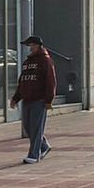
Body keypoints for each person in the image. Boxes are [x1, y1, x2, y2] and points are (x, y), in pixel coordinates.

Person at [11, 35, 55, 164]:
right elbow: (22, 82)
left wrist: (48, 100)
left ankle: (34, 155)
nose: (29, 48)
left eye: (31, 45)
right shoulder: (27, 62)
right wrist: (16, 98)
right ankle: (44, 146)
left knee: (36, 128)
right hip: (27, 99)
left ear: (37, 45)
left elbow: (50, 81)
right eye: (28, 46)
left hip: (39, 100)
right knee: (28, 128)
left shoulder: (45, 60)